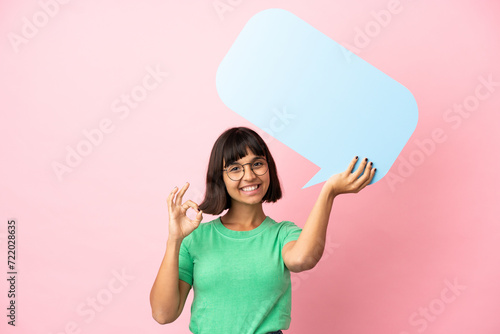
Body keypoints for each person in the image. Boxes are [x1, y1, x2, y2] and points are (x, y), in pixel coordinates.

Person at [149, 126, 376, 333]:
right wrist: (174, 239)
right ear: (221, 178)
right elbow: (163, 314)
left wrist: (329, 192)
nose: (249, 176)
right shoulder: (195, 238)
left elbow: (302, 260)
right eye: (235, 168)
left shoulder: (283, 234)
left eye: (257, 164)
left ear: (269, 169)